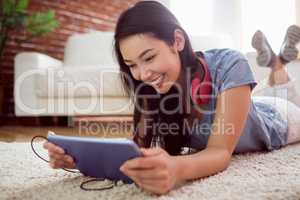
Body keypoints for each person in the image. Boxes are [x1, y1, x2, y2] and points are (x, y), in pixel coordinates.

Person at [43, 1, 300, 195]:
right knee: (265, 92)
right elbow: (137, 151)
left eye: (149, 57)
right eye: (132, 64)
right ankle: (275, 67)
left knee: (287, 93)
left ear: (177, 40)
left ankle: (277, 65)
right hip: (251, 105)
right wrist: (80, 160)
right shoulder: (149, 88)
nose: (142, 74)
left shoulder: (229, 63)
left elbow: (220, 152)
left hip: (280, 118)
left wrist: (177, 168)